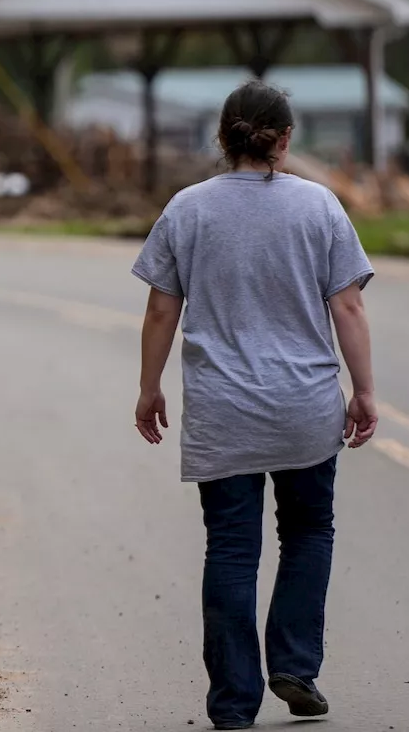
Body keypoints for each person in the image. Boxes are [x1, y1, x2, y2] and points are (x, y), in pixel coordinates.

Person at [130, 80, 377, 731]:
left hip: (223, 412)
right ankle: (295, 663)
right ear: (287, 138)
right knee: (307, 532)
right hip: (304, 408)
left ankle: (235, 703)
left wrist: (149, 386)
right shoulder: (320, 207)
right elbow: (348, 305)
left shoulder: (188, 209)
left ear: (223, 136)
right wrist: (365, 391)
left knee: (231, 549)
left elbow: (162, 306)